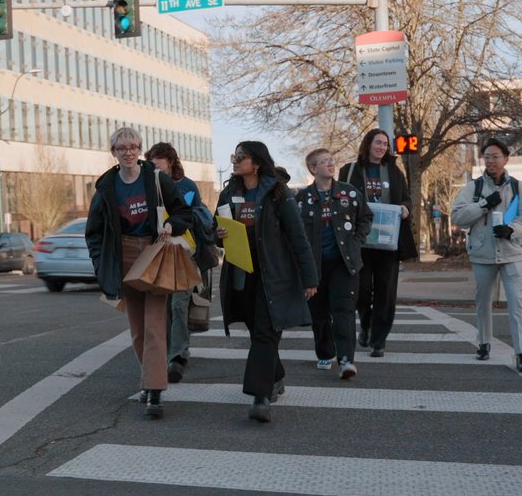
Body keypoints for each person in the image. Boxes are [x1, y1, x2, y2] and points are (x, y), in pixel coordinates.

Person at [86, 127, 192, 418]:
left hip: (153, 252)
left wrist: (173, 225)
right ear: (114, 153)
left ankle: (154, 392)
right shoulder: (106, 186)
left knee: (155, 324)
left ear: (139, 150)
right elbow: (93, 232)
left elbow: (184, 212)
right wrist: (100, 264)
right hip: (123, 256)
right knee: (137, 329)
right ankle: (149, 379)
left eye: (133, 147)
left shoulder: (156, 178)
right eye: (122, 148)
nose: (129, 152)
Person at [216, 141, 318, 422]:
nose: (235, 161)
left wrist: (309, 278)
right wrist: (218, 234)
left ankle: (260, 397)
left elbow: (298, 236)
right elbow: (215, 230)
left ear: (257, 162)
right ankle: (276, 375)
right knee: (256, 330)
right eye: (234, 156)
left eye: (241, 157)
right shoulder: (229, 192)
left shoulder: (277, 192)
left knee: (264, 332)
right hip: (241, 275)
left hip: (275, 276)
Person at [450, 138, 522, 372]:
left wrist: (512, 229)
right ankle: (484, 343)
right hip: (482, 254)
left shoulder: (518, 187)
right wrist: (483, 205)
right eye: (487, 156)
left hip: (511, 253)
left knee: (517, 303)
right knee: (483, 303)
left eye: (495, 156)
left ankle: (521, 353)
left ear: (506, 158)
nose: (490, 160)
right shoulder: (474, 188)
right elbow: (457, 217)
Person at [338, 129, 418, 358]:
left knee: (386, 291)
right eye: (378, 143)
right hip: (359, 241)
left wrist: (405, 209)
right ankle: (366, 323)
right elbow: (339, 199)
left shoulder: (393, 171)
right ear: (368, 144)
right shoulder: (350, 170)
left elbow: (406, 198)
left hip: (388, 241)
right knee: (361, 290)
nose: (382, 147)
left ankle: (378, 340)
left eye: (385, 144)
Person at [296, 148, 372, 379]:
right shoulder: (301, 199)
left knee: (344, 311)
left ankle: (346, 359)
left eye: (332, 161)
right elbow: (294, 231)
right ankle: (324, 351)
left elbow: (365, 218)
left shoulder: (349, 193)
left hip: (345, 263)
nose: (331, 164)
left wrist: (356, 242)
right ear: (313, 168)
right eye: (324, 162)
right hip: (315, 266)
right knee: (318, 314)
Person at [145, 141, 202, 383]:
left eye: (159, 162)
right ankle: (165, 351)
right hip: (155, 251)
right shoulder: (146, 185)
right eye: (152, 163)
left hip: (181, 250)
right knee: (161, 305)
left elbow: (194, 215)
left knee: (179, 303)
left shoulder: (186, 186)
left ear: (170, 162)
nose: (155, 167)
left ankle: (177, 356)